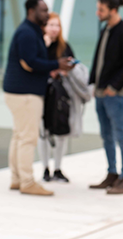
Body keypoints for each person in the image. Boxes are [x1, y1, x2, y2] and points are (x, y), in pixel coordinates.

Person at [3, 0, 74, 196]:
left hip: (20, 92)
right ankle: (26, 181)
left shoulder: (31, 31)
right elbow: (30, 62)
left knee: (19, 135)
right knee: (27, 138)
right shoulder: (27, 33)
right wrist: (56, 64)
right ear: (31, 11)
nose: (46, 13)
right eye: (43, 10)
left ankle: (16, 179)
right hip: (25, 93)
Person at [88, 0, 123, 194]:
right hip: (100, 93)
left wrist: (113, 87)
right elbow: (98, 59)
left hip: (114, 94)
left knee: (121, 135)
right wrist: (92, 82)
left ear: (113, 10)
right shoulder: (105, 29)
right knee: (106, 135)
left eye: (101, 9)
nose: (97, 12)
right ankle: (112, 174)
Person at [38, 12, 92, 183]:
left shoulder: (64, 46)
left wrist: (63, 71)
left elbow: (72, 67)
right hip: (43, 94)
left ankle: (58, 168)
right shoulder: (39, 45)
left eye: (57, 25)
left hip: (61, 95)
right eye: (51, 25)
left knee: (62, 130)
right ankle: (45, 168)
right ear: (45, 27)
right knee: (43, 132)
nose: (54, 28)